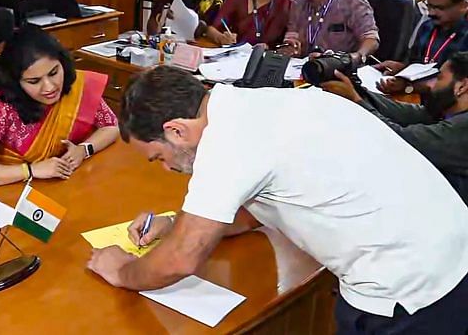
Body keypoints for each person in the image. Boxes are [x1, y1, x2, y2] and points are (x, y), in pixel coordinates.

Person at [86, 65, 468, 334]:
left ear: (176, 130)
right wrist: (175, 224)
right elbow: (255, 211)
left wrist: (120, 270)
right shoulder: (250, 105)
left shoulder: (227, 143)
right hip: (448, 250)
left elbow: (182, 259)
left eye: (159, 157)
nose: (166, 168)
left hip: (410, 289)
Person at [0, 27, 119, 187]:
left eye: (53, 73)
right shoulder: (0, 105)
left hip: (65, 183)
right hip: (14, 189)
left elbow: (111, 126)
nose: (49, 87)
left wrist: (83, 150)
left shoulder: (77, 87)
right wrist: (30, 170)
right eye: (34, 81)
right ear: (16, 81)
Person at [322, 52, 468, 204]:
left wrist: (356, 100)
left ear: (462, 86)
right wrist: (358, 91)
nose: (430, 86)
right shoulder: (448, 111)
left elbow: (400, 140)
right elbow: (403, 113)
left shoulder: (462, 128)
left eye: (439, 79)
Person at [377, 0, 468, 95]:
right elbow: (418, 64)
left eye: (440, 8)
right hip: (414, 97)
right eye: (429, 6)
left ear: (464, 6)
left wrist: (409, 87)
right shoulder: (428, 26)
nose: (431, 13)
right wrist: (402, 69)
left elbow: (455, 85)